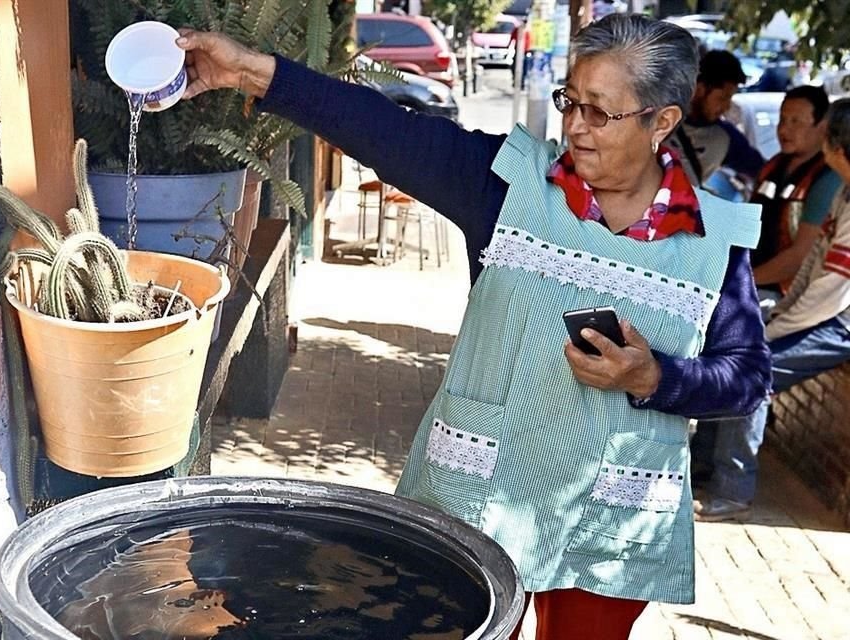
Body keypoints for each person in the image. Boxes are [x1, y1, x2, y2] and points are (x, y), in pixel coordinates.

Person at [175, 14, 771, 639]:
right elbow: (381, 129)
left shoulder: (713, 242)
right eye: (571, 101)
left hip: (610, 514)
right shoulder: (505, 185)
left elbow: (748, 377)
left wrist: (656, 375)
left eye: (600, 112)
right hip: (480, 494)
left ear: (663, 121)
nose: (573, 126)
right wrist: (247, 69)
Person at [692, 99, 850, 522]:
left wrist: (777, 329)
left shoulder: (834, 188)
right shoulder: (840, 190)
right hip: (815, 312)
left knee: (753, 376)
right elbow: (814, 267)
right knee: (728, 353)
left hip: (839, 324)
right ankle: (701, 463)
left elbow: (832, 292)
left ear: (834, 144)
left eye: (801, 121)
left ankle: (733, 490)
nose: (785, 129)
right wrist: (776, 317)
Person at [750, 86, 842, 296]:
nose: (783, 130)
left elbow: (801, 255)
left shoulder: (827, 178)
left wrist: (744, 281)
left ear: (822, 127)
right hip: (754, 284)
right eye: (782, 120)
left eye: (795, 122)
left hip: (787, 295)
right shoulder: (772, 167)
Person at [668, 49, 765, 186]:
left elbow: (763, 172)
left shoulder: (725, 138)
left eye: (729, 99)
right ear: (699, 89)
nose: (726, 107)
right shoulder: (658, 122)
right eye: (722, 98)